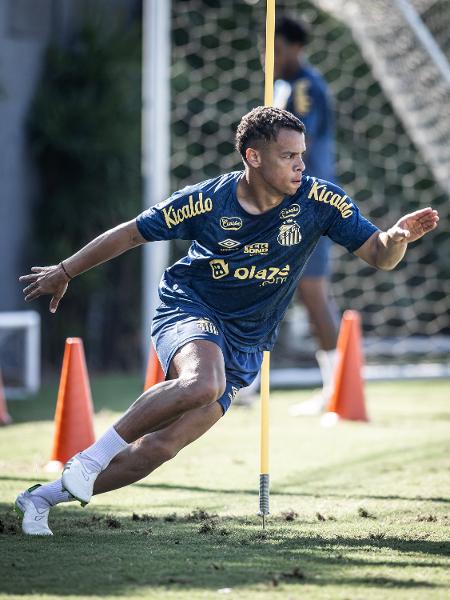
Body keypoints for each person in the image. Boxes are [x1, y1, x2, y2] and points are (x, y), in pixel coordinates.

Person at [15, 106, 438, 535]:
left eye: (302, 155)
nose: (300, 165)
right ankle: (88, 459)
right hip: (190, 307)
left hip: (246, 341)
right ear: (254, 157)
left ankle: (40, 498)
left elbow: (379, 255)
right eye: (288, 155)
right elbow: (129, 233)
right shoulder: (204, 201)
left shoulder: (321, 202)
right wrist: (64, 271)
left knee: (160, 447)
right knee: (203, 382)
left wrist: (396, 238)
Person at [274, 16, 339, 415]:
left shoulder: (304, 88)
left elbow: (298, 139)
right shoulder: (286, 85)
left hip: (307, 203)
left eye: (276, 48)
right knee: (262, 283)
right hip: (285, 202)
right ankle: (244, 380)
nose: (269, 56)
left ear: (296, 47)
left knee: (312, 291)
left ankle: (338, 388)